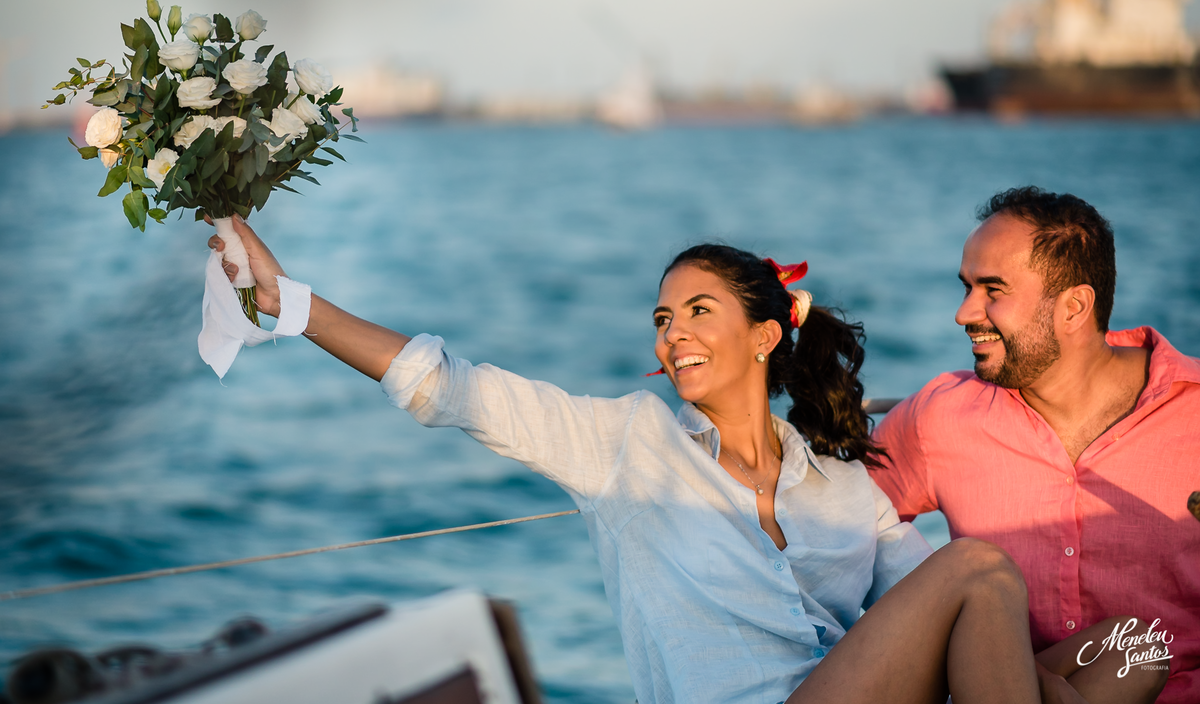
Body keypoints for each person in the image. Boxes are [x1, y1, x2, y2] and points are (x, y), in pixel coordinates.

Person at [208, 219, 1157, 704]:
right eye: (662, 320)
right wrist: (289, 301)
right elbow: (446, 385)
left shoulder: (837, 481)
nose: (674, 334)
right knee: (978, 564)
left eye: (698, 310)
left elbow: (931, 624)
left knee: (1141, 646)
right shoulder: (628, 445)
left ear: (764, 333)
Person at [871, 187, 1194, 704]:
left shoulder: (1193, 417)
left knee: (1138, 650)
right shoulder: (941, 415)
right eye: (967, 287)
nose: (963, 313)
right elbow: (840, 537)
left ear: (1074, 307)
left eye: (992, 290)